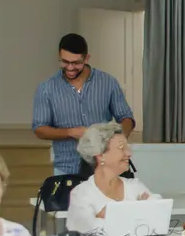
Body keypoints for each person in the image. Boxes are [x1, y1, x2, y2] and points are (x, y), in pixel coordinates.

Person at [68, 122, 172, 236]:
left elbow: (158, 212)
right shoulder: (81, 193)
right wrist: (136, 212)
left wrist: (110, 215)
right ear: (100, 155)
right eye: (122, 148)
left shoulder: (134, 186)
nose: (129, 153)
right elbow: (88, 228)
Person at [32, 33, 136, 175]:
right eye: (64, 62)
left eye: (76, 63)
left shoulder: (108, 82)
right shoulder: (46, 88)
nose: (70, 68)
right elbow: (39, 129)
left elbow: (126, 118)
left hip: (105, 167)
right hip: (66, 168)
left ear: (86, 58)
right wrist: (70, 132)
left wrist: (118, 141)